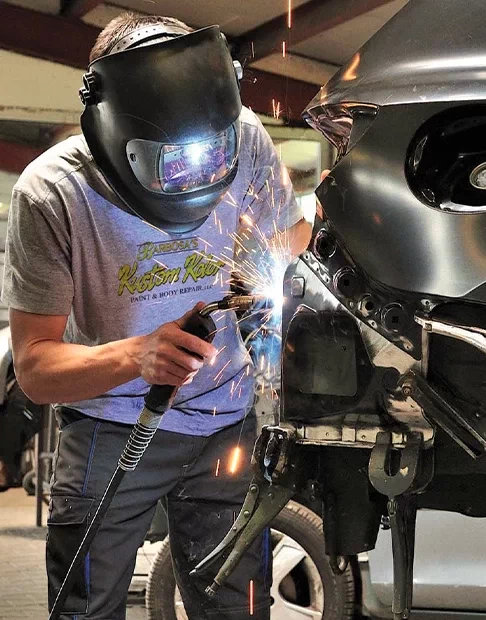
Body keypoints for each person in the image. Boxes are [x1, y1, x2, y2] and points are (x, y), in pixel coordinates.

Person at [1, 13, 312, 620]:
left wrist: (276, 268)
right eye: (171, 162)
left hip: (229, 421)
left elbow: (291, 237)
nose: (196, 174)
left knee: (237, 609)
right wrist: (135, 357)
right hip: (111, 430)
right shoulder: (51, 192)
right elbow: (35, 367)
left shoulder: (242, 136)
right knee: (84, 609)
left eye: (209, 155)